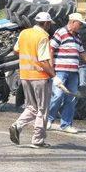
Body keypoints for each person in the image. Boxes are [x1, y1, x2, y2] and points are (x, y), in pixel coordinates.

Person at [47, 13, 86, 133]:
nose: (81, 26)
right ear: (72, 22)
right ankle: (48, 119)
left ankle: (66, 124)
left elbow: (83, 54)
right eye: (79, 24)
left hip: (73, 72)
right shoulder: (60, 32)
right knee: (57, 95)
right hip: (61, 71)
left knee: (71, 98)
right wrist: (51, 66)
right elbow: (50, 49)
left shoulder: (77, 37)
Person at [9, 12, 56, 148]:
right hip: (40, 77)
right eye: (49, 24)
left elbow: (16, 50)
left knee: (31, 107)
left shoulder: (24, 33)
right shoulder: (43, 36)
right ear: (46, 23)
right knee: (42, 109)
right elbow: (43, 61)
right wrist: (54, 75)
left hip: (25, 75)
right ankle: (38, 140)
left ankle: (17, 126)